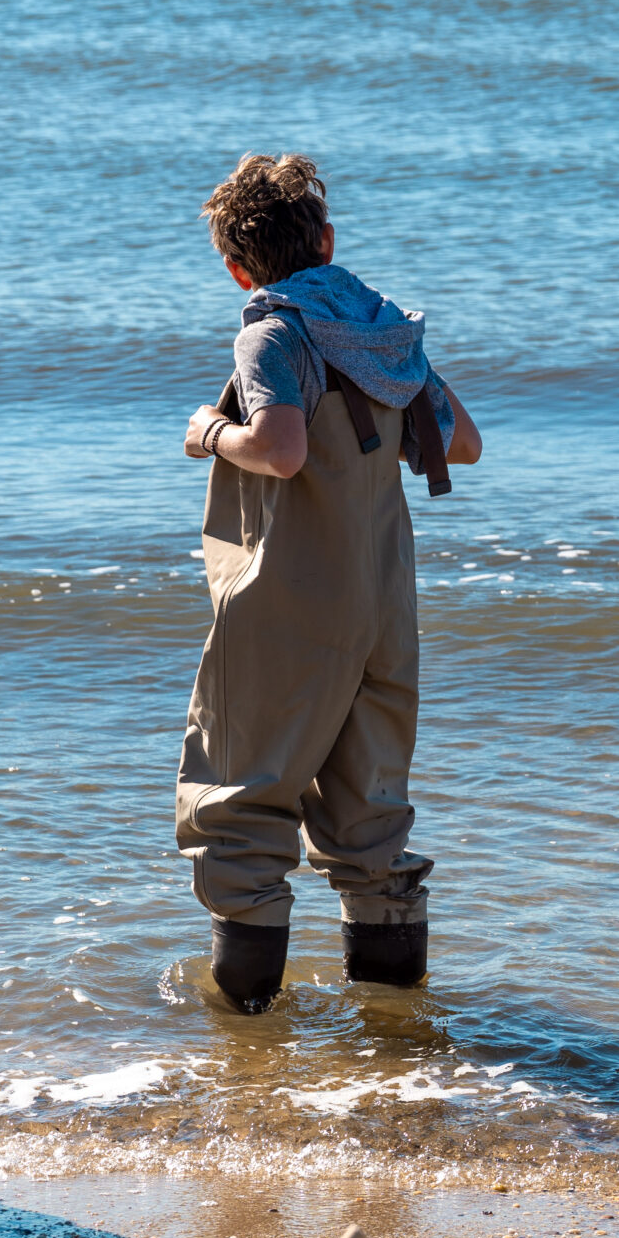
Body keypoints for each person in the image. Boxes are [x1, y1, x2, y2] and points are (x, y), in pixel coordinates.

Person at [176, 154, 482, 1012]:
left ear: (236, 268)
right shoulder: (383, 327)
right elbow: (464, 443)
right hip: (385, 608)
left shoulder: (272, 332)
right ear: (328, 240)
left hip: (292, 606)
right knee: (372, 824)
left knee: (237, 811)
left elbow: (280, 450)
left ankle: (248, 1051)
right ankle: (397, 1054)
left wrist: (208, 431)